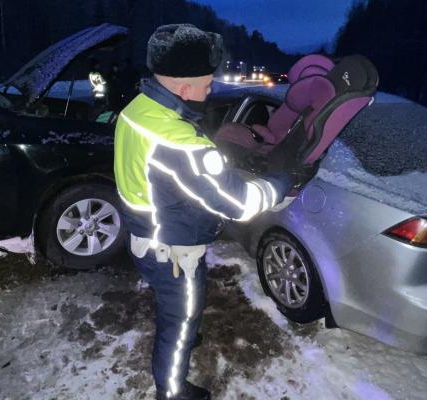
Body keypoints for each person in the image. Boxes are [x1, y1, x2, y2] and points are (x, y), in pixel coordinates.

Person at [114, 24, 295, 400]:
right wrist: (279, 185)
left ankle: (183, 326)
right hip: (173, 251)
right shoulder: (181, 143)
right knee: (178, 322)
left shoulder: (136, 109)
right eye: (207, 83)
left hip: (143, 235)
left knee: (176, 308)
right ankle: (172, 389)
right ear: (183, 88)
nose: (211, 89)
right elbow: (239, 204)